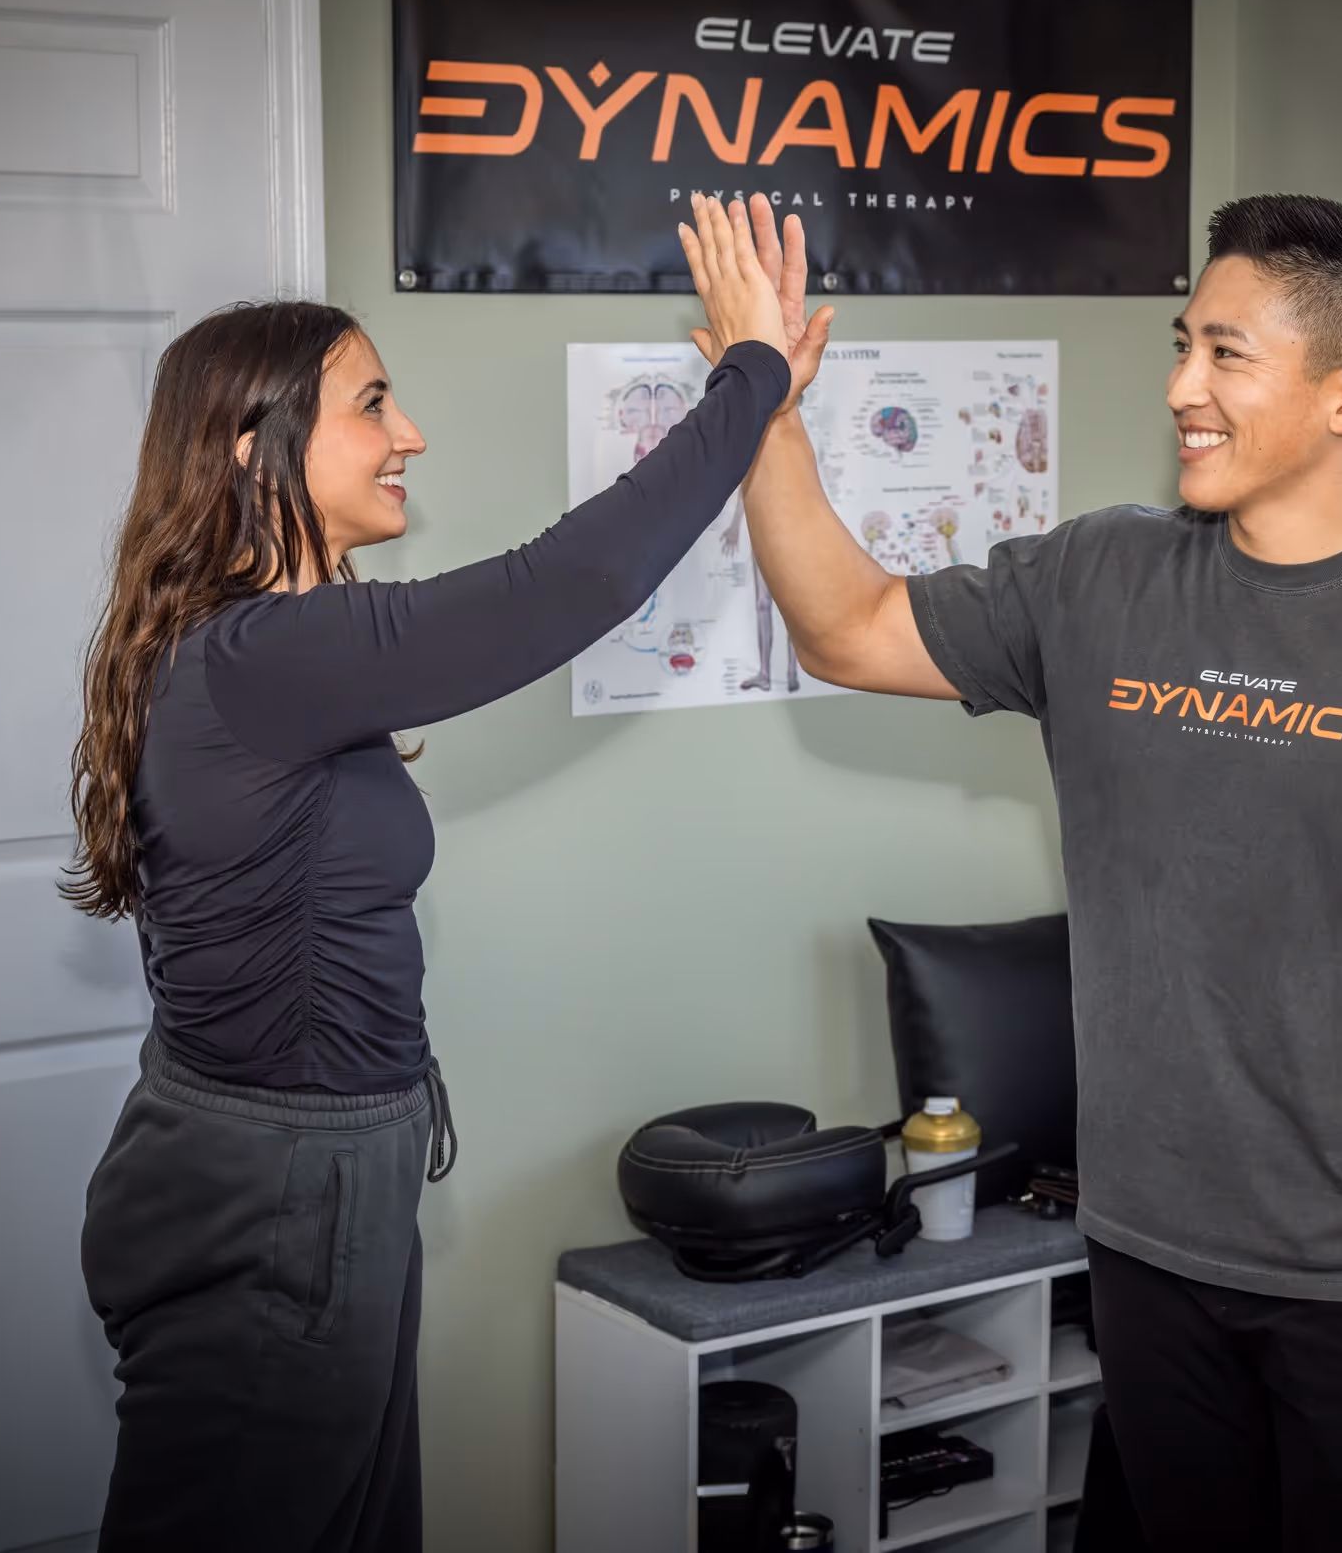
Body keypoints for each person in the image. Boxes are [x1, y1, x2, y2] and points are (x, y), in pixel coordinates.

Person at [712, 192, 1342, 1550]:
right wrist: (770, 411)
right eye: (1182, 344)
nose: (1180, 386)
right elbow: (848, 627)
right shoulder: (1101, 577)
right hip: (1147, 1246)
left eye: (1225, 353)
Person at [62, 196, 825, 1552]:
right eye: (373, 402)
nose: (409, 433)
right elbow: (566, 584)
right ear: (255, 444)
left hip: (318, 1169)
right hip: (271, 1192)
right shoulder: (262, 659)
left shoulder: (272, 650)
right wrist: (750, 374)